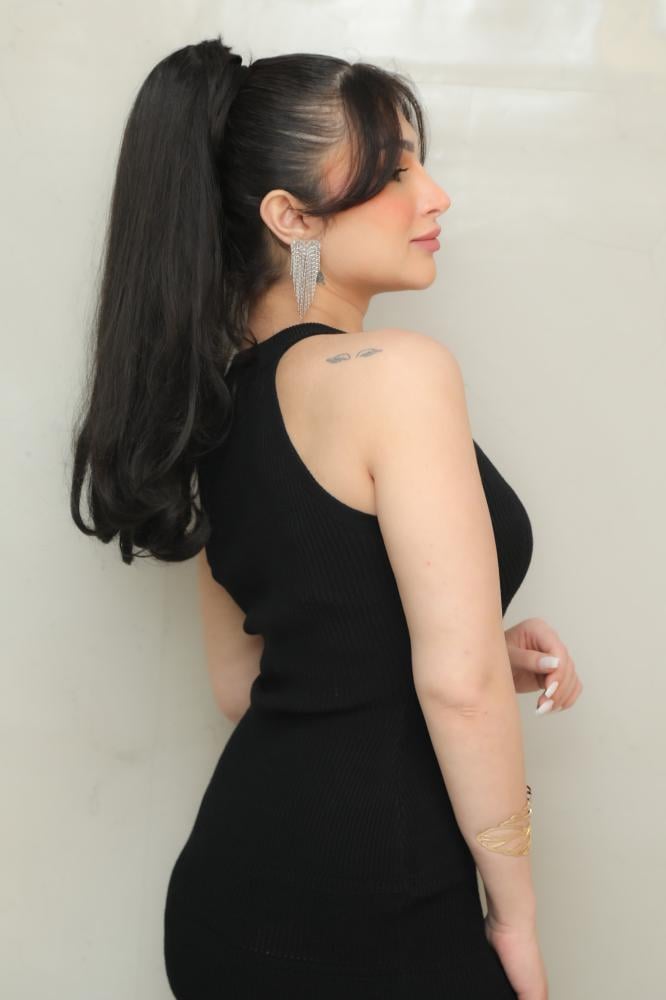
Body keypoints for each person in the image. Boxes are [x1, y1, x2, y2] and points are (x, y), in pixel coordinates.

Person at [70, 35, 557, 999]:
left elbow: (247, 683)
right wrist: (516, 919)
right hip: (377, 908)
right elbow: (457, 689)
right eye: (395, 171)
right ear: (290, 216)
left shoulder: (206, 406)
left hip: (229, 902)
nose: (434, 197)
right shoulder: (397, 376)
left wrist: (480, 646)